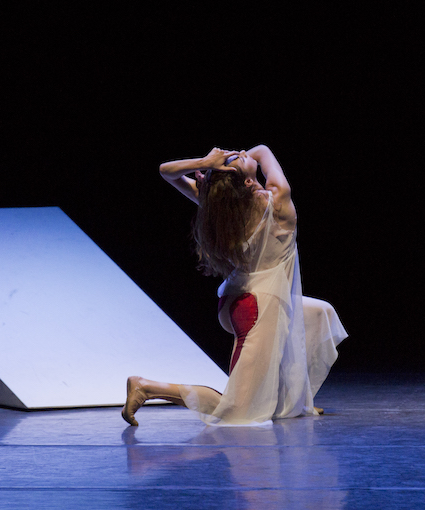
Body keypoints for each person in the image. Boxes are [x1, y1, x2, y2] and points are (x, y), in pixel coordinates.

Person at [122, 146, 347, 426]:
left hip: (236, 303)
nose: (242, 151)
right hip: (257, 311)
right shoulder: (277, 202)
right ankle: (147, 386)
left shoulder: (219, 206)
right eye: (239, 157)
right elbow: (264, 151)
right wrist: (219, 164)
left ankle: (290, 401)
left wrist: (210, 163)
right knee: (239, 410)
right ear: (250, 182)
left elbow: (166, 171)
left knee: (318, 314)